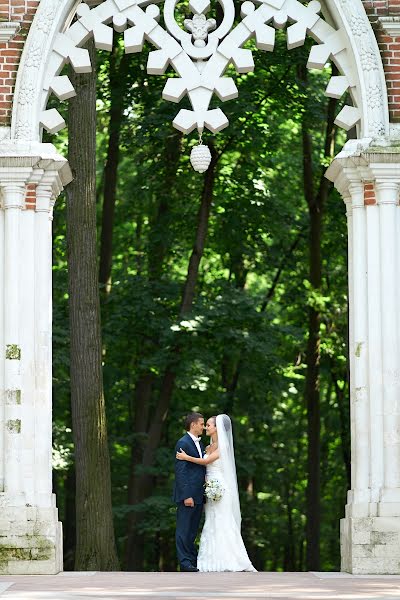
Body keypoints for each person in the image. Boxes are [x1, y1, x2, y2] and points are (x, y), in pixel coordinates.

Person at [176, 414, 256, 572]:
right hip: (207, 491)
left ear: (217, 428)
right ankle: (210, 560)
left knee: (223, 523)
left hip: (220, 489)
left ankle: (231, 559)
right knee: (210, 524)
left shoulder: (222, 447)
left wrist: (187, 457)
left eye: (208, 425)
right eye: (203, 424)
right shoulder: (204, 447)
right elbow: (193, 471)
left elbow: (206, 462)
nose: (205, 427)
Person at [173, 412, 206, 572]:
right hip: (189, 495)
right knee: (183, 529)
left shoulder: (199, 444)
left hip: (199, 495)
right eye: (201, 423)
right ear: (193, 424)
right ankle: (185, 562)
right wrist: (187, 495)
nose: (204, 426)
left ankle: (192, 561)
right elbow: (181, 472)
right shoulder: (183, 442)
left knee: (192, 530)